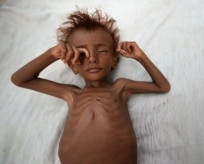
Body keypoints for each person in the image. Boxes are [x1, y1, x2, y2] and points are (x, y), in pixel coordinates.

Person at [11, 8, 170, 164]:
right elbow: (20, 79)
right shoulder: (71, 94)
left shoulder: (120, 87)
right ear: (73, 66)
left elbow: (162, 86)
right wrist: (52, 54)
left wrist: (140, 56)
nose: (92, 58)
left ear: (114, 60)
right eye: (82, 53)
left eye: (101, 51)